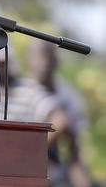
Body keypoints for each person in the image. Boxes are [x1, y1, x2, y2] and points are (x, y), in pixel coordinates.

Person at [28, 42, 94, 187]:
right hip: (23, 165)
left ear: (57, 61)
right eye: (40, 55)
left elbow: (74, 150)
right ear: (30, 59)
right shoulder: (20, 92)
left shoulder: (69, 97)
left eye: (48, 56)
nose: (44, 62)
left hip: (53, 170)